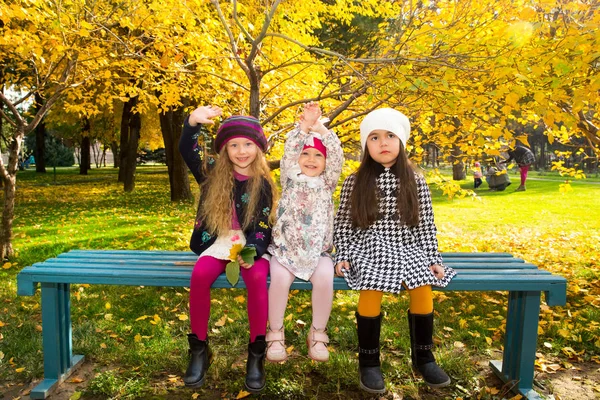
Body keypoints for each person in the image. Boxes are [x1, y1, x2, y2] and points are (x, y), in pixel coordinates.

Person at [334, 108, 456, 394]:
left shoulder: (416, 181)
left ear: (401, 142)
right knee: (371, 287)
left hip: (407, 246)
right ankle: (369, 362)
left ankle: (424, 357)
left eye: (390, 136)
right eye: (374, 138)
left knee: (422, 285)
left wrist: (433, 259)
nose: (383, 143)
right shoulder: (356, 181)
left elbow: (426, 226)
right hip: (369, 247)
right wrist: (343, 254)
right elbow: (343, 225)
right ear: (366, 145)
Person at [178, 105, 277, 393]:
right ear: (225, 149)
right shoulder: (211, 173)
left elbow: (262, 223)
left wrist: (255, 250)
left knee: (257, 278)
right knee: (199, 276)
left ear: (258, 148)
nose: (241, 151)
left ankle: (256, 354)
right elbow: (188, 149)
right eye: (234, 145)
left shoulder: (263, 183)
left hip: (250, 244)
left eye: (248, 144)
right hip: (218, 240)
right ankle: (198, 350)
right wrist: (192, 122)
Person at [266, 102, 344, 363]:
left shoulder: (327, 183)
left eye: (318, 156)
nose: (311, 160)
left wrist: (320, 128)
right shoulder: (290, 178)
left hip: (318, 253)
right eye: (306, 154)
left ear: (326, 162)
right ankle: (275, 332)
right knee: (278, 280)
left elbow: (336, 153)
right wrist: (303, 128)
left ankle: (317, 333)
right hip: (285, 251)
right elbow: (289, 150)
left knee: (324, 279)